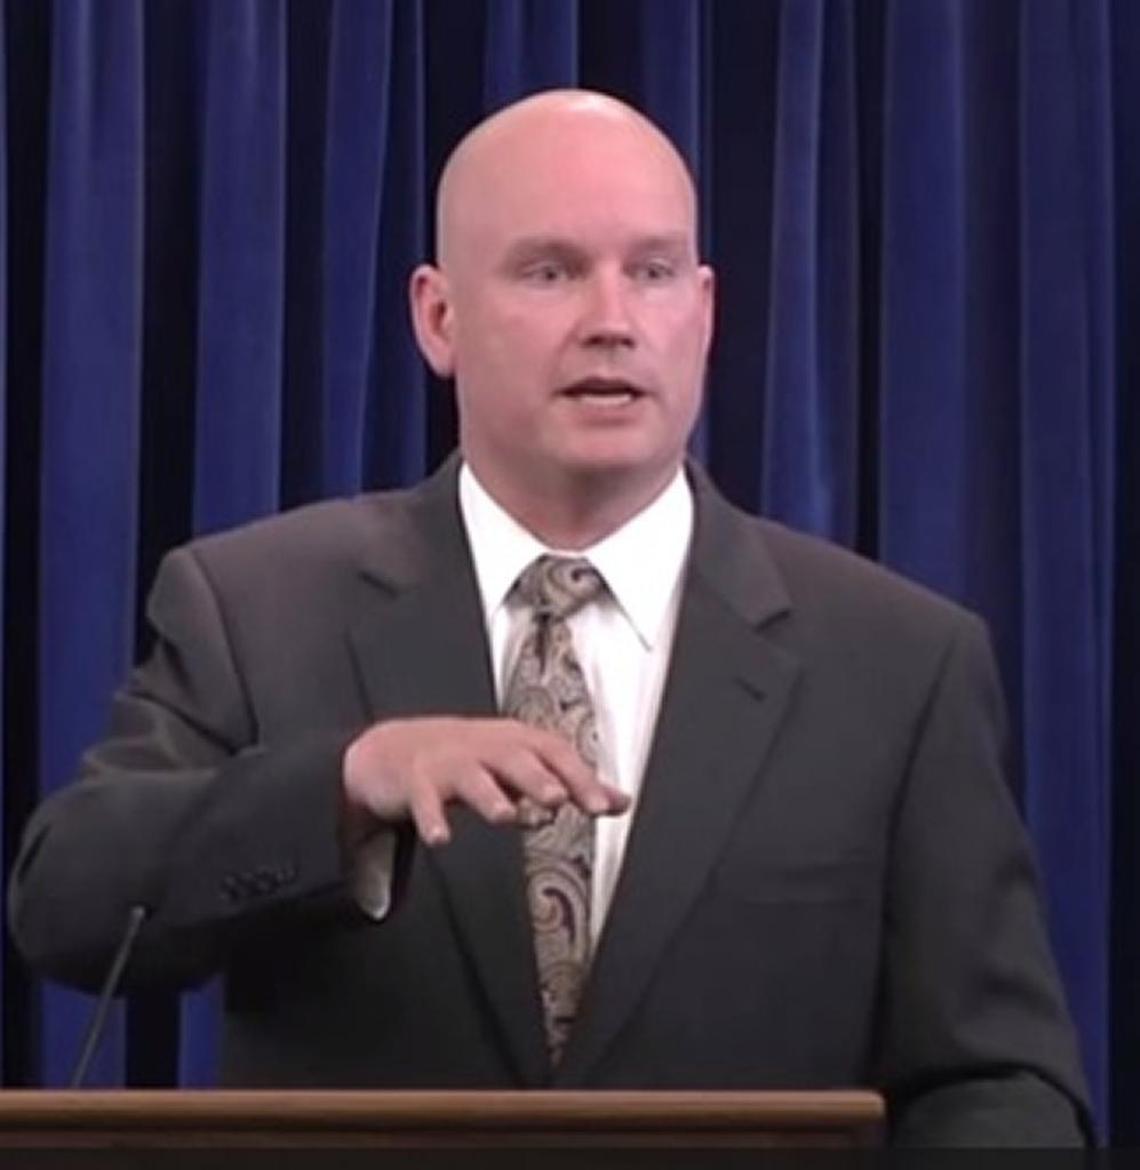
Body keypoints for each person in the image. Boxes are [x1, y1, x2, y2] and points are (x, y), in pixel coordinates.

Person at [9, 90, 1089, 1144]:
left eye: (653, 272)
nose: (612, 322)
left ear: (704, 313)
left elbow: (994, 1078)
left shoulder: (899, 661)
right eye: (551, 271)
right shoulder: (256, 607)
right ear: (438, 318)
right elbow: (70, 901)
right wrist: (342, 788)